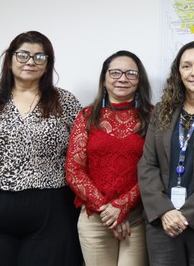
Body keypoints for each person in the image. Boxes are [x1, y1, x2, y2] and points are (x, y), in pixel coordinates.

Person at [0, 31, 83, 265]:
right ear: (10, 58)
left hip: (50, 217)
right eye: (23, 55)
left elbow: (80, 151)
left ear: (48, 63)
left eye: (39, 57)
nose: (30, 61)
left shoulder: (65, 101)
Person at [137, 40, 194, 264]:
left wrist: (187, 214)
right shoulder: (162, 110)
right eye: (186, 66)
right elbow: (148, 164)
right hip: (163, 222)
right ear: (178, 73)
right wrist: (165, 211)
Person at [65, 50, 153, 265]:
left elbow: (156, 168)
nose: (122, 78)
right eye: (115, 72)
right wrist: (109, 211)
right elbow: (74, 170)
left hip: (137, 217)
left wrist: (122, 207)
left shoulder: (154, 116)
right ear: (104, 79)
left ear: (139, 80)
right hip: (95, 218)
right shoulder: (87, 116)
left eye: (131, 73)